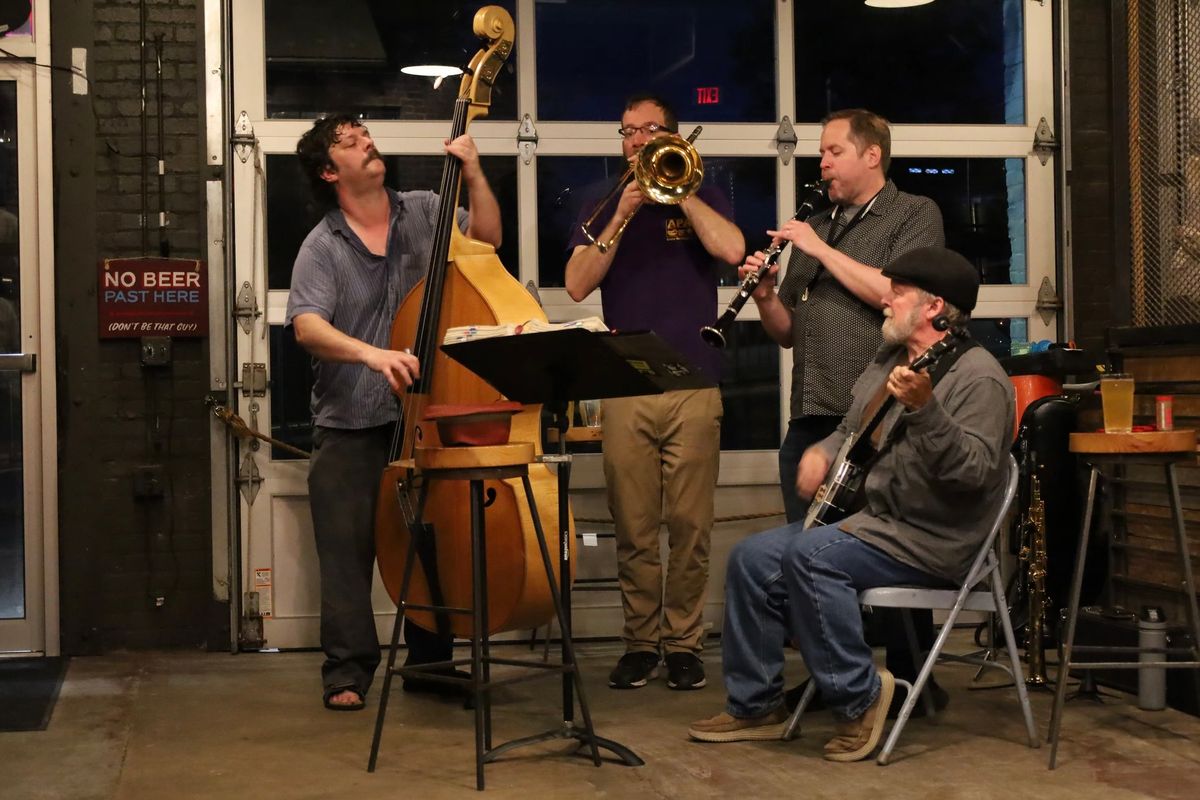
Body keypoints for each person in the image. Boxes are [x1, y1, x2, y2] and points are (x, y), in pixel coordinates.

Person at [689, 246, 1014, 762]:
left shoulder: (979, 378)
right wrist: (823, 451)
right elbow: (850, 427)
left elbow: (974, 475)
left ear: (933, 307)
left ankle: (859, 699)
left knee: (812, 556)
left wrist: (927, 410)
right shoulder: (889, 359)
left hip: (936, 540)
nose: (885, 299)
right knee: (751, 559)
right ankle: (756, 704)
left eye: (898, 291)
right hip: (881, 524)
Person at [286, 114, 502, 711]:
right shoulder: (323, 246)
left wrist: (475, 172)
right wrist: (372, 354)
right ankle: (347, 672)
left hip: (421, 414)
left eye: (366, 135)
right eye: (350, 143)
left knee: (429, 543)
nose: (367, 144)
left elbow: (486, 240)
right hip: (349, 421)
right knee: (347, 551)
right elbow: (307, 326)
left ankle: (431, 664)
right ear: (330, 172)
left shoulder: (425, 210)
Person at [742, 108, 947, 711]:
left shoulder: (913, 213)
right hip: (810, 411)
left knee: (887, 546)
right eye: (822, 152)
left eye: (833, 151)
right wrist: (761, 295)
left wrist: (816, 248)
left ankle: (914, 680)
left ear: (871, 155)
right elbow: (787, 332)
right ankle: (839, 680)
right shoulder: (819, 221)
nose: (822, 162)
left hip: (880, 413)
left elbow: (894, 292)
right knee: (805, 557)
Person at [564, 93, 745, 691]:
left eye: (650, 130)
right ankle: (641, 643)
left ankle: (684, 643)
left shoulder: (701, 192)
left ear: (674, 139)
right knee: (634, 525)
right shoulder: (602, 205)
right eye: (628, 131)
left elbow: (732, 250)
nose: (637, 140)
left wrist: (682, 194)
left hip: (693, 381)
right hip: (625, 384)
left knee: (690, 525)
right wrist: (622, 214)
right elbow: (574, 284)